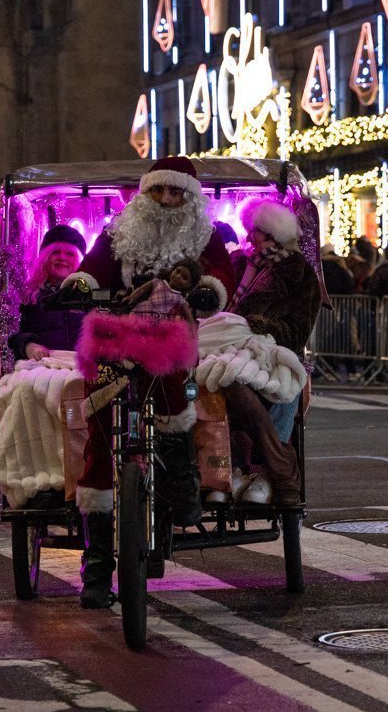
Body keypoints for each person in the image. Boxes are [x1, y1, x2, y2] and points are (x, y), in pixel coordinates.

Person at [66, 156, 235, 609]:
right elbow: (93, 266)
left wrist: (206, 291)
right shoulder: (120, 231)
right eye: (157, 192)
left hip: (170, 339)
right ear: (144, 195)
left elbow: (224, 280)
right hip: (117, 338)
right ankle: (97, 566)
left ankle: (181, 481)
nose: (165, 200)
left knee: (177, 402)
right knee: (100, 436)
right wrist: (79, 284)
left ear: (190, 198)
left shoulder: (206, 237)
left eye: (175, 192)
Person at [221, 198, 321, 505]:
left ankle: (270, 471)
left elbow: (298, 328)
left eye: (257, 233)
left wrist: (264, 327)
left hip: (274, 351)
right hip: (232, 347)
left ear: (273, 235)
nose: (250, 239)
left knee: (285, 385)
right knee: (220, 382)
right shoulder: (242, 265)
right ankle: (236, 464)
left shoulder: (298, 274)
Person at [9, 224, 87, 361]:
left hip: (83, 371)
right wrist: (28, 345)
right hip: (43, 371)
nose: (62, 258)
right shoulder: (27, 296)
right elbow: (11, 335)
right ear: (45, 257)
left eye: (70, 253)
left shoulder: (89, 296)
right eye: (56, 252)